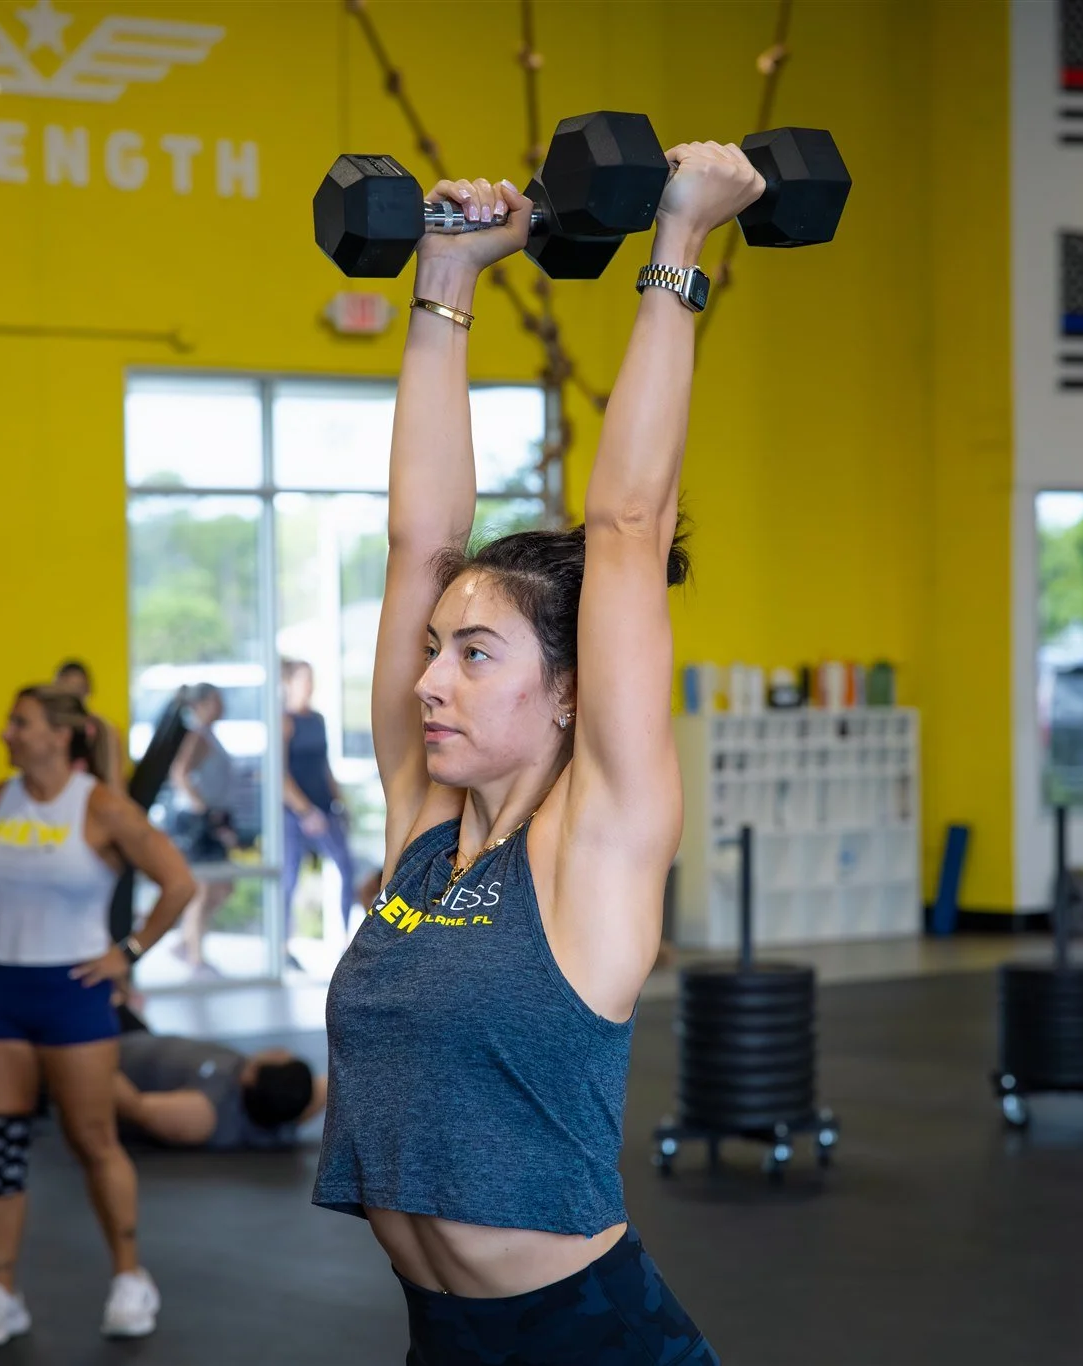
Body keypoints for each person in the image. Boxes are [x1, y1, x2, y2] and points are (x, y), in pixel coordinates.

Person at [312, 148, 751, 1364]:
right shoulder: (421, 829)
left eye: (474, 656)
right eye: (433, 651)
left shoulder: (596, 844)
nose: (424, 680)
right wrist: (444, 278)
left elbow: (624, 528)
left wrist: (680, 239)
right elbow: (420, 543)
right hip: (440, 1339)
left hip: (588, 1342)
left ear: (569, 692)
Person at [0, 685, 198, 1346]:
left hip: (74, 989)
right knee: (0, 1143)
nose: (6, 733)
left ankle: (130, 1277)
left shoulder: (101, 807)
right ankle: (1, 1292)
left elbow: (179, 883)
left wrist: (130, 953)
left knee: (93, 1140)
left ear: (61, 736)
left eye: (20, 722)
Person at [110, 1006, 327, 1152]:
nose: (281, 1050)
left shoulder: (203, 1115)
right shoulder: (296, 1102)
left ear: (250, 1078)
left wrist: (89, 1060)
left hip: (110, 1050)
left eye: (281, 1057)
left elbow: (132, 1105)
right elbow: (334, 1083)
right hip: (138, 1036)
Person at [280, 658, 362, 938]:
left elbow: (324, 766)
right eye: (303, 680)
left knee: (346, 868)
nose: (309, 686)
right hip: (294, 814)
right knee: (289, 877)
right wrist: (305, 811)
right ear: (288, 684)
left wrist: (339, 803)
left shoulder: (316, 720)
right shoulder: (284, 722)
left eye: (311, 679)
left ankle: (347, 937)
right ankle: (282, 946)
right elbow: (279, 776)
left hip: (325, 807)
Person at [165, 682, 237, 975]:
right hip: (198, 823)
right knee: (203, 888)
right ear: (205, 703)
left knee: (223, 886)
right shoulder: (196, 736)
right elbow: (180, 774)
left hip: (212, 819)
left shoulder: (207, 736)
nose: (223, 705)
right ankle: (194, 955)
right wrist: (204, 811)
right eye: (218, 700)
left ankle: (186, 941)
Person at [52, 658, 125, 784]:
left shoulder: (104, 729)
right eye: (66, 690)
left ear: (88, 690)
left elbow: (114, 778)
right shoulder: (50, 729)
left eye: (78, 690)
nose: (73, 698)